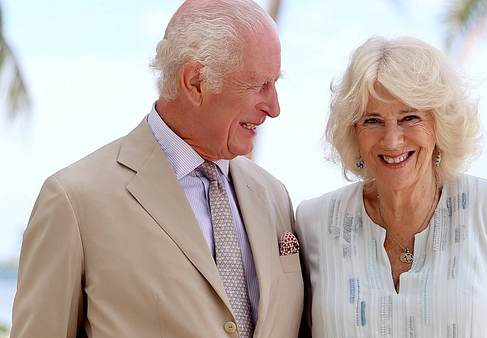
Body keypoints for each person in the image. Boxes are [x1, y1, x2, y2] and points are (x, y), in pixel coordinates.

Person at [11, 1, 304, 337]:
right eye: (259, 85)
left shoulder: (274, 196)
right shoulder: (74, 201)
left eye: (276, 83)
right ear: (195, 82)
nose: (274, 107)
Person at [296, 36, 487, 338]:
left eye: (409, 117)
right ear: (353, 131)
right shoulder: (316, 222)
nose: (391, 141)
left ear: (440, 124)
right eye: (372, 120)